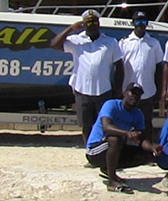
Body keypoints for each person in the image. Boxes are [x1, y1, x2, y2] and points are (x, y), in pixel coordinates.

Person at [51, 9, 123, 144]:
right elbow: (54, 45)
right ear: (84, 24)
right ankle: (90, 152)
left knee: (104, 124)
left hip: (103, 90)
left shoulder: (110, 42)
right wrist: (71, 29)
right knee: (86, 125)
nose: (92, 25)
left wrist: (118, 89)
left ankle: (102, 154)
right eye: (89, 23)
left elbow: (119, 66)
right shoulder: (76, 40)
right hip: (82, 90)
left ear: (99, 24)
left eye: (95, 22)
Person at [84, 83, 162, 193]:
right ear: (124, 93)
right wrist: (127, 133)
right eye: (132, 93)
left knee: (147, 155)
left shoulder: (138, 114)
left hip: (115, 148)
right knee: (115, 139)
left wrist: (152, 148)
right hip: (95, 150)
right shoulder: (111, 105)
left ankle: (108, 168)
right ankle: (111, 182)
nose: (135, 96)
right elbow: (106, 127)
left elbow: (142, 139)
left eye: (138, 95)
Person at [118, 10, 163, 141]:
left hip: (147, 91)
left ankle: (147, 152)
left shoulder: (154, 43)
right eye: (138, 21)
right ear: (133, 23)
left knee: (146, 122)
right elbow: (119, 68)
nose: (141, 24)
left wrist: (159, 90)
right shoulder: (124, 42)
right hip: (129, 92)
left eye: (143, 21)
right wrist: (119, 89)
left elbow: (159, 68)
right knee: (126, 122)